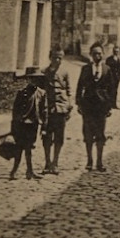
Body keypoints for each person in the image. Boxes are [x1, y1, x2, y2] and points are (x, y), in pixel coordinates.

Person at [75, 41, 116, 172]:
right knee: (88, 134)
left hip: (101, 107)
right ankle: (89, 161)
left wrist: (109, 106)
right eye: (94, 54)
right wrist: (79, 103)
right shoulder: (85, 69)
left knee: (100, 134)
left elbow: (112, 89)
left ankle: (99, 162)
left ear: (103, 54)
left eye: (99, 53)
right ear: (91, 55)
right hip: (88, 106)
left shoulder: (107, 69)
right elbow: (79, 87)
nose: (97, 56)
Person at [39, 47, 72, 175]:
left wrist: (69, 106)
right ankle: (47, 162)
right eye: (55, 57)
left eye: (60, 58)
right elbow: (39, 92)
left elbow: (68, 90)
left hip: (61, 109)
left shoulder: (64, 72)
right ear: (50, 58)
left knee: (59, 137)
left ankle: (55, 163)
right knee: (46, 136)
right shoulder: (44, 73)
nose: (57, 60)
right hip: (47, 110)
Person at [8, 67, 45, 181]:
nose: (34, 81)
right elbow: (16, 112)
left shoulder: (41, 93)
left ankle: (30, 171)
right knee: (19, 149)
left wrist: (44, 126)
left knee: (29, 149)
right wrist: (14, 127)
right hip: (22, 125)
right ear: (28, 79)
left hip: (33, 126)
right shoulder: (22, 93)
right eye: (32, 79)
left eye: (36, 79)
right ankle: (14, 171)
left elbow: (44, 111)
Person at [105, 44, 120, 108]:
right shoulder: (109, 59)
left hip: (116, 78)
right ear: (113, 51)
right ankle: (108, 104)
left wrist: (119, 76)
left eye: (117, 51)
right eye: (115, 51)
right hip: (110, 77)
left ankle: (114, 104)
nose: (116, 52)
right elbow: (106, 68)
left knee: (115, 91)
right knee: (109, 90)